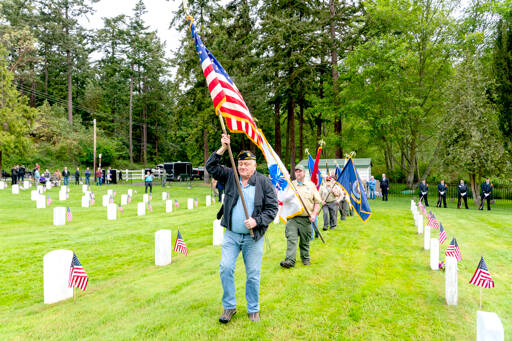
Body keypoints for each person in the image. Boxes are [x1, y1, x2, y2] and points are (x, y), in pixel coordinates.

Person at [206, 134, 278, 323]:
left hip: (253, 238)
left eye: (247, 164)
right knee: (225, 268)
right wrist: (222, 148)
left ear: (254, 166)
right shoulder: (231, 176)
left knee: (253, 274)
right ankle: (229, 307)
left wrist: (257, 221)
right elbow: (210, 167)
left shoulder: (263, 182)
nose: (242, 167)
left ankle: (253, 309)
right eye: (240, 164)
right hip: (231, 235)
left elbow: (272, 209)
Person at [280, 164, 321, 269]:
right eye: (296, 171)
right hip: (292, 218)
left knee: (305, 241)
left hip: (306, 218)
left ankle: (305, 258)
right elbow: (283, 199)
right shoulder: (290, 185)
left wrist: (313, 214)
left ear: (304, 172)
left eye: (300, 171)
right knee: (291, 239)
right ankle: (289, 260)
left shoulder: (311, 185)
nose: (298, 173)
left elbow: (317, 202)